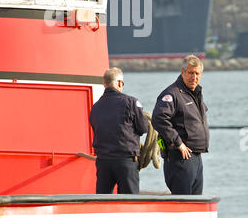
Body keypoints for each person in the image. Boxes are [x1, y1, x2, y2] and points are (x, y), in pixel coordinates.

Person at [151, 55, 209, 195]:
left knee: (196, 205)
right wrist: (178, 143)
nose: (193, 77)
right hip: (180, 158)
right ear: (182, 72)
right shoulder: (172, 94)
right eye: (190, 73)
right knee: (183, 203)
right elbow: (159, 118)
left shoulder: (195, 93)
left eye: (197, 73)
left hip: (196, 156)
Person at [89, 67, 149, 194]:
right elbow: (143, 128)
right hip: (125, 161)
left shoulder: (95, 107)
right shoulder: (131, 102)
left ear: (104, 84)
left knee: (103, 202)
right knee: (130, 202)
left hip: (103, 162)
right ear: (120, 83)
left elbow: (95, 127)